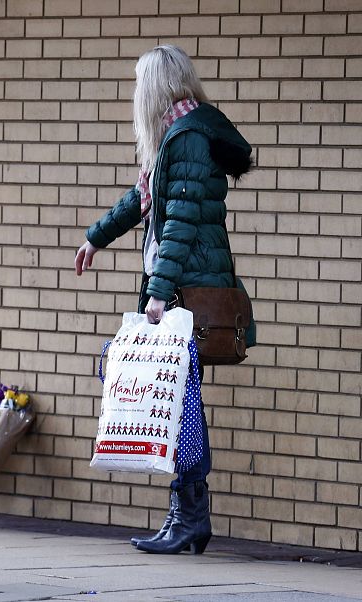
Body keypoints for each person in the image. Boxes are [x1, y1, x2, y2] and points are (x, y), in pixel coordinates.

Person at [75, 45, 252, 555]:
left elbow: (181, 221)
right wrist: (96, 237)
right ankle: (189, 516)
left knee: (181, 404)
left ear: (156, 86)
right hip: (181, 285)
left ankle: (188, 516)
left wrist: (157, 294)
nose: (136, 93)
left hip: (185, 290)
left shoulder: (189, 136)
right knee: (177, 401)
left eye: (139, 83)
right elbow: (146, 199)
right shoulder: (178, 133)